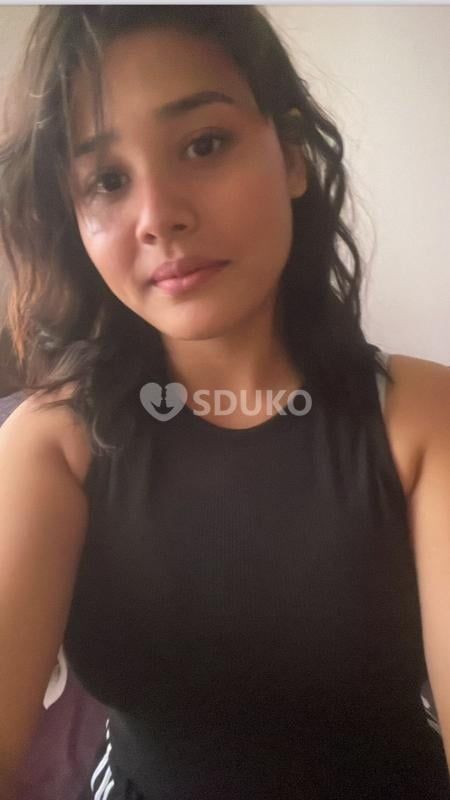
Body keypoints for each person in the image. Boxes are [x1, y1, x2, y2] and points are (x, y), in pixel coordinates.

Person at [0, 6, 449, 799]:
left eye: (204, 144)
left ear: (293, 156)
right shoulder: (51, 444)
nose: (158, 217)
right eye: (107, 181)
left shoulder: (421, 419)